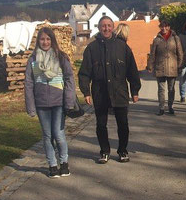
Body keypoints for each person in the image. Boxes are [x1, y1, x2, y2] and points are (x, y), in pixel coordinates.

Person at [78, 16, 141, 164]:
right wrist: (86, 92)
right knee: (101, 125)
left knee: (123, 124)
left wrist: (135, 90)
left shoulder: (122, 47)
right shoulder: (91, 49)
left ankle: (122, 151)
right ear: (99, 28)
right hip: (100, 92)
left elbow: (132, 70)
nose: (106, 29)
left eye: (109, 26)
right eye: (103, 26)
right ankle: (104, 151)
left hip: (119, 91)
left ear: (113, 27)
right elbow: (84, 73)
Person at [25, 27, 76, 178]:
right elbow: (28, 83)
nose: (45, 42)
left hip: (58, 101)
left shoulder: (61, 57)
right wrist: (30, 106)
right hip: (41, 103)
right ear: (38, 41)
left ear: (52, 40)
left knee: (59, 134)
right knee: (47, 136)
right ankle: (52, 165)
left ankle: (64, 162)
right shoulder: (33, 60)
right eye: (42, 39)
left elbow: (69, 79)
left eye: (48, 39)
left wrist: (69, 101)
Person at [147, 20, 183, 115]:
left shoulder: (176, 38)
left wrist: (179, 65)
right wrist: (150, 65)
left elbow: (180, 53)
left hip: (172, 67)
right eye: (162, 27)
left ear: (169, 27)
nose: (164, 28)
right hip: (160, 67)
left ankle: (170, 106)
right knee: (161, 89)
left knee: (171, 89)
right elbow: (152, 54)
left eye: (166, 26)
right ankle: (161, 108)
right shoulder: (157, 40)